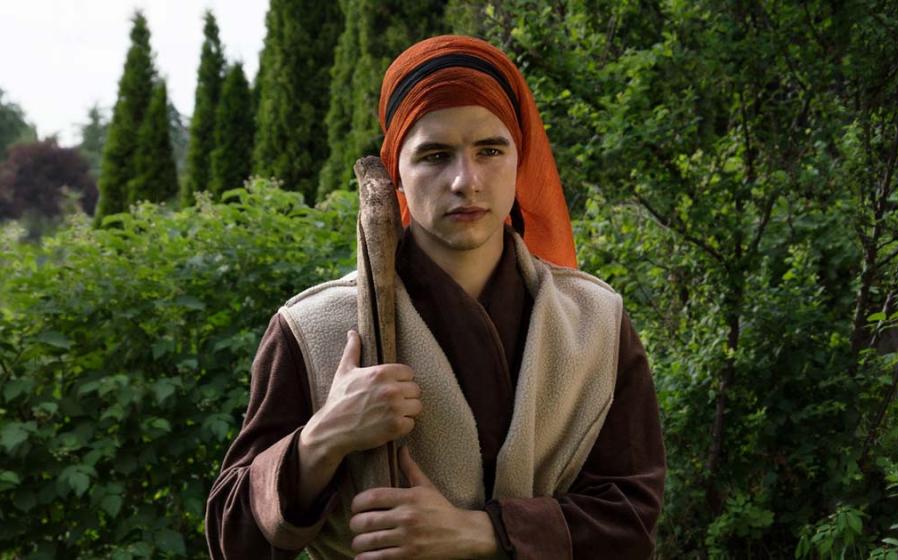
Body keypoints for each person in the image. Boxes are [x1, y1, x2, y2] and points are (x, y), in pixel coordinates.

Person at [205, 35, 665, 560]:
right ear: (396, 173)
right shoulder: (312, 330)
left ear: (520, 159)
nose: (466, 181)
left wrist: (478, 533)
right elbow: (233, 539)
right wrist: (324, 438)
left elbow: (631, 520)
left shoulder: (596, 321)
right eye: (434, 155)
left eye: (490, 150)